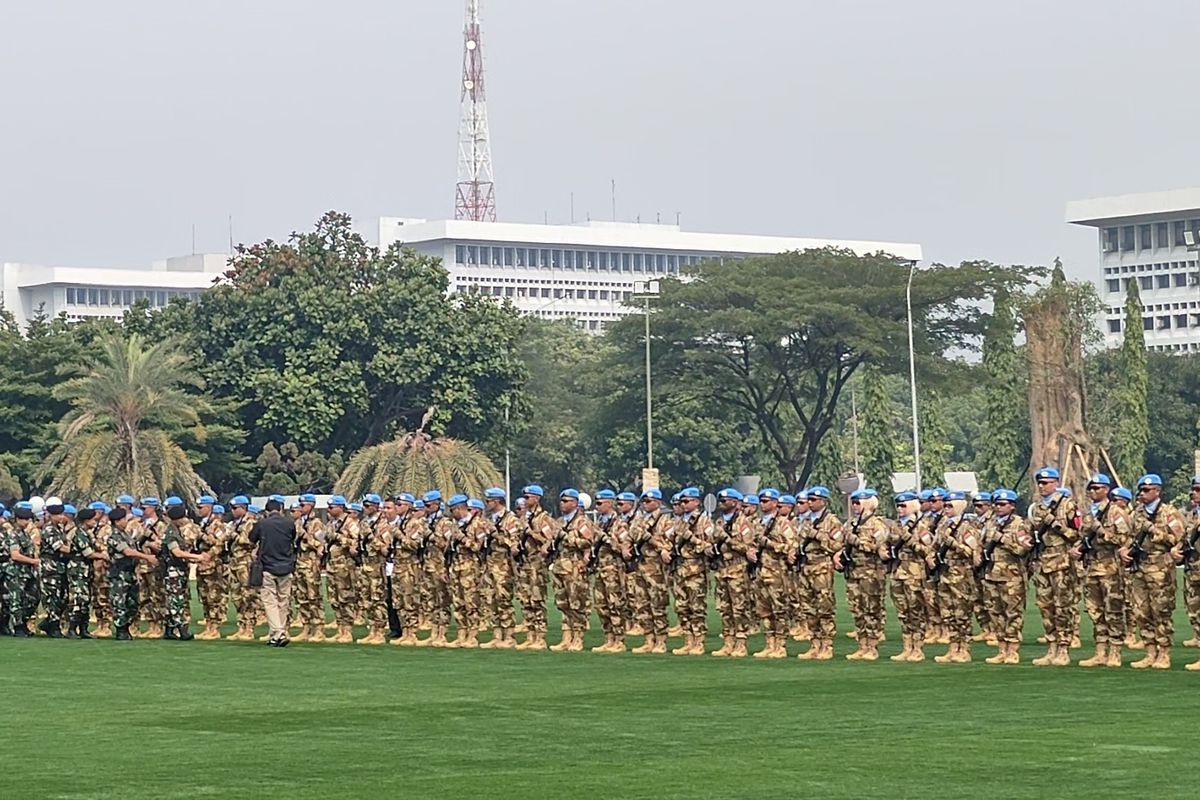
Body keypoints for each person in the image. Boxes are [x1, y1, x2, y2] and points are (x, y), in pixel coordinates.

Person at [1122, 473, 1184, 669]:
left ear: (1158, 491)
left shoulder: (1169, 513)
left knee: (1161, 611)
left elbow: (1177, 540)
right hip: (1140, 567)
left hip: (1160, 568)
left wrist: (1153, 531)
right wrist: (1124, 550)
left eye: (1148, 490)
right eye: (1141, 490)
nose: (1143, 493)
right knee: (1141, 611)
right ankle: (1150, 651)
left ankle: (1164, 652)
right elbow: (1128, 536)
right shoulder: (1136, 513)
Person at [1074, 474, 1131, 668]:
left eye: (1097, 488)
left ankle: (1115, 651)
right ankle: (1100, 651)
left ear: (1106, 489)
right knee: (1095, 611)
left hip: (1111, 567)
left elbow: (1124, 539)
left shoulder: (1116, 512)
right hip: (1092, 566)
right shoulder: (1088, 513)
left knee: (1113, 610)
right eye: (1090, 488)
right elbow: (1082, 537)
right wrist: (1077, 548)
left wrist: (1101, 532)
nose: (1093, 492)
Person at [1026, 467, 1080, 667]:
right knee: (1045, 606)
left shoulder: (1067, 505)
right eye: (1040, 483)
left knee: (1062, 606)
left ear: (1056, 483)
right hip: (1043, 560)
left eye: (1046, 483)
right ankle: (1051, 646)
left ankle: (1064, 648)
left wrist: (1056, 524)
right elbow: (1031, 533)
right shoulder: (1037, 507)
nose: (1042, 486)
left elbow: (1077, 535)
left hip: (1061, 562)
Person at [836, 489, 890, 661]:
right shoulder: (851, 524)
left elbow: (878, 547)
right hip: (853, 572)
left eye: (858, 503)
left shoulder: (877, 524)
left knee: (871, 610)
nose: (854, 506)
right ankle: (862, 645)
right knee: (857, 610)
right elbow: (840, 543)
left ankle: (872, 646)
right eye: (853, 503)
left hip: (871, 573)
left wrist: (857, 541)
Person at [980, 489, 1032, 665]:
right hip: (991, 574)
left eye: (1002, 504)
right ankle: (1001, 648)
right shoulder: (990, 523)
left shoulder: (1020, 524)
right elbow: (981, 544)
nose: (998, 507)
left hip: (1011, 576)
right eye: (996, 504)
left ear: (1012, 506)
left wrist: (1003, 539)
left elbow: (1023, 549)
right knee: (995, 613)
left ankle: (1012, 649)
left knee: (1013, 613)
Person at [930, 492, 979, 663]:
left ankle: (963, 648)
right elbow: (934, 545)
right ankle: (952, 647)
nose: (946, 509)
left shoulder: (967, 527)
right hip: (945, 574)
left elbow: (972, 551)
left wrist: (954, 544)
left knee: (961, 613)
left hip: (961, 576)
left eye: (950, 506)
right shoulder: (943, 525)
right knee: (947, 613)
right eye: (945, 505)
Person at [708, 489, 756, 658]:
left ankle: (741, 642)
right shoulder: (719, 522)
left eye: (725, 500)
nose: (721, 503)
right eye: (720, 500)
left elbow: (748, 548)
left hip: (737, 569)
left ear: (735, 503)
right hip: (722, 569)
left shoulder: (744, 523)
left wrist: (727, 539)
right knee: (724, 608)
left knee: (739, 608)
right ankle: (728, 642)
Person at [793, 486, 839, 661]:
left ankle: (826, 645)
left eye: (813, 500)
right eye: (809, 500)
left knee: (824, 607)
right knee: (808, 608)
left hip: (821, 567)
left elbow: (836, 545)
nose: (810, 503)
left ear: (823, 502)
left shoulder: (831, 521)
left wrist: (817, 535)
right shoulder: (804, 521)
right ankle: (814, 643)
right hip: (805, 567)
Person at [249, 497, 298, 647]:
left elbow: (251, 539)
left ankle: (278, 632)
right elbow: (293, 539)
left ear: (267, 510)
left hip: (268, 567)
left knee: (270, 602)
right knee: (283, 601)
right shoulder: (289, 523)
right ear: (281, 509)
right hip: (286, 566)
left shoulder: (262, 524)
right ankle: (278, 633)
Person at [549, 488, 593, 652]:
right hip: (560, 565)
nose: (563, 504)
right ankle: (566, 637)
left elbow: (588, 542)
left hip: (575, 566)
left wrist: (567, 537)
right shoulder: (560, 521)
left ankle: (578, 638)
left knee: (577, 602)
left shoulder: (582, 522)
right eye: (562, 501)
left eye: (566, 501)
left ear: (575, 503)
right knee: (563, 603)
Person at [106, 507, 158, 640]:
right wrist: (146, 557)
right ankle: (120, 629)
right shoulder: (114, 536)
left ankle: (127, 626)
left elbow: (136, 545)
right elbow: (128, 552)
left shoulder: (126, 535)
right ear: (117, 522)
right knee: (120, 603)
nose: (125, 521)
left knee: (133, 603)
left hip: (130, 573)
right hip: (119, 574)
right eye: (123, 519)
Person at [588, 489, 630, 653]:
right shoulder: (599, 523)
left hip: (613, 569)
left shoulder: (620, 523)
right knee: (601, 604)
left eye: (600, 503)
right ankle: (608, 638)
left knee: (615, 604)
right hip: (600, 568)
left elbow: (623, 547)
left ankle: (619, 639)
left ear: (610, 503)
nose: (597, 507)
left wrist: (605, 538)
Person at [481, 488, 522, 649]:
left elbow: (514, 544)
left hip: (504, 566)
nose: (487, 504)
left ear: (497, 501)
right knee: (492, 601)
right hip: (491, 564)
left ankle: (509, 636)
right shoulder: (491, 519)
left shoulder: (510, 520)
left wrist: (495, 533)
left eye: (489, 501)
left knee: (504, 600)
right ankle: (497, 635)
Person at [161, 499, 208, 640]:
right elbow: (177, 553)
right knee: (177, 599)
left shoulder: (175, 530)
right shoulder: (171, 533)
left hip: (178, 569)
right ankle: (182, 630)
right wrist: (198, 557)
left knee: (173, 599)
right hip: (172, 571)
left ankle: (169, 630)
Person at [323, 496, 359, 643]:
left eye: (331, 507)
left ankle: (348, 630)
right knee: (334, 598)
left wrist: (339, 538)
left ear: (340, 507)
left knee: (346, 597)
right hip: (332, 565)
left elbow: (356, 541)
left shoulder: (349, 523)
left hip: (344, 566)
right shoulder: (331, 523)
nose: (329, 510)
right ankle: (340, 628)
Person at [291, 493, 326, 642]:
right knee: (302, 597)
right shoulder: (299, 522)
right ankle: (305, 627)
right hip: (300, 561)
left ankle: (318, 629)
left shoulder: (317, 523)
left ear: (311, 506)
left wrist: (306, 537)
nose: (301, 508)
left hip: (311, 563)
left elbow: (321, 544)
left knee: (314, 597)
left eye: (303, 505)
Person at [37, 498, 72, 637]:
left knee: (62, 596)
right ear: (51, 515)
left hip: (59, 566)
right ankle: (53, 626)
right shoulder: (49, 529)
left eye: (62, 514)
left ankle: (49, 622)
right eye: (58, 514)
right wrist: (76, 551)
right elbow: (60, 547)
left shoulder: (59, 528)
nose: (61, 517)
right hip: (49, 566)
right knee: (52, 596)